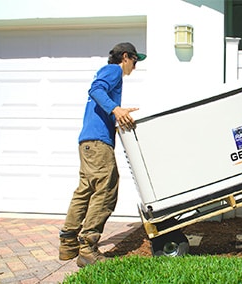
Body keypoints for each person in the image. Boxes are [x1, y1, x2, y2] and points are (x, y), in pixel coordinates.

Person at [58, 42, 146, 267]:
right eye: (135, 61)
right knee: (107, 188)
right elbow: (95, 89)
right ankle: (88, 248)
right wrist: (116, 109)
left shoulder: (109, 73)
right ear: (125, 57)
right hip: (97, 142)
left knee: (86, 188)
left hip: (88, 141)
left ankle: (68, 244)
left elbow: (98, 93)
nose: (134, 67)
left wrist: (114, 117)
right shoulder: (114, 70)